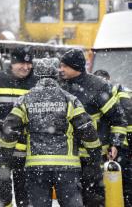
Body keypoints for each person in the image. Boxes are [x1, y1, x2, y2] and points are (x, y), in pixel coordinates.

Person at [0, 58, 102, 207]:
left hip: (36, 167)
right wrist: (95, 156)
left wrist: (6, 158)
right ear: (56, 75)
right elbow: (87, 129)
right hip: (67, 168)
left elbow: (10, 130)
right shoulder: (70, 99)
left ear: (36, 76)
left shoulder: (25, 100)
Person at [59, 49, 128, 207]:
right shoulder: (60, 85)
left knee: (93, 199)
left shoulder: (98, 87)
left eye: (64, 66)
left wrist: (115, 144)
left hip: (94, 157)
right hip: (68, 157)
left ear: (76, 66)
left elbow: (118, 118)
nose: (60, 69)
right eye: (60, 65)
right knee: (70, 200)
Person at [0, 47, 38, 207]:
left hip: (27, 150)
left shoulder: (37, 84)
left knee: (27, 193)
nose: (25, 67)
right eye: (21, 63)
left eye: (29, 63)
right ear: (13, 62)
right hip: (0, 147)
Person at [94, 69, 132, 207]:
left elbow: (125, 119)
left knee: (111, 180)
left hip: (114, 144)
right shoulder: (120, 91)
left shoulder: (104, 92)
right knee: (121, 181)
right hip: (119, 144)